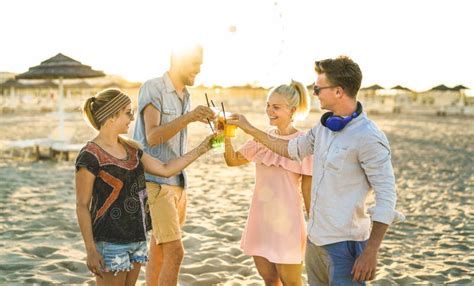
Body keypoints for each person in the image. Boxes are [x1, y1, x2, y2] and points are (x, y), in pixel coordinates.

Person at [227, 56, 404, 285]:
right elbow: (289, 149)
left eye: (318, 88)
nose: (314, 93)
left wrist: (371, 251)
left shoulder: (369, 137)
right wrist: (248, 129)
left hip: (345, 244)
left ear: (339, 91)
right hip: (316, 240)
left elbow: (387, 197)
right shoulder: (322, 127)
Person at [75, 88, 213, 285]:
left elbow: (165, 169)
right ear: (111, 116)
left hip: (137, 238)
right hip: (109, 241)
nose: (132, 117)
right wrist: (90, 249)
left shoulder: (132, 149)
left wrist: (203, 148)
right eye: (127, 112)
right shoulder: (90, 155)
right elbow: (82, 205)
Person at [132, 44, 216, 286]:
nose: (198, 70)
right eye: (194, 64)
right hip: (155, 183)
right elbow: (153, 136)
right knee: (176, 252)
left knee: (160, 249)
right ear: (177, 60)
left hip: (178, 182)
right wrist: (189, 117)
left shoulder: (185, 95)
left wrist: (204, 139)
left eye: (201, 64)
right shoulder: (154, 88)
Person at [224, 81, 313, 286]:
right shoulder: (261, 139)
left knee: (291, 282)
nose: (269, 111)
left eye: (276, 107)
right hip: (260, 219)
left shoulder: (303, 143)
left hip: (288, 223)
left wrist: (314, 226)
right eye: (267, 105)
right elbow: (233, 160)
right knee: (270, 280)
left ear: (292, 110)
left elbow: (308, 190)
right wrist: (225, 134)